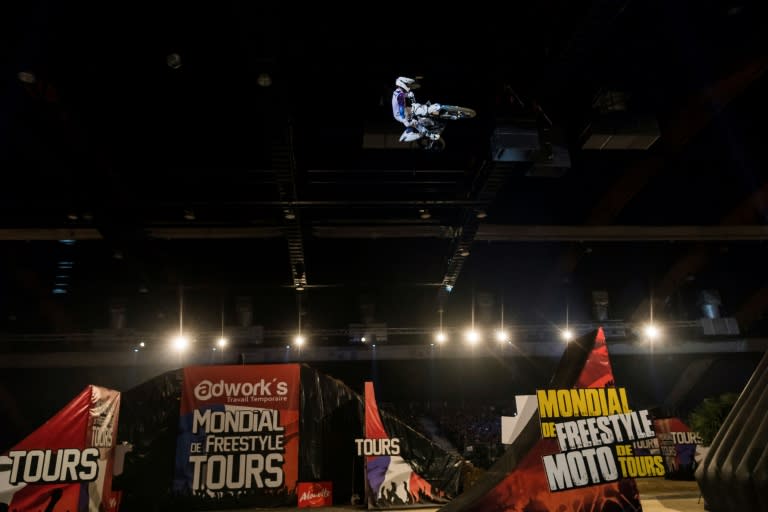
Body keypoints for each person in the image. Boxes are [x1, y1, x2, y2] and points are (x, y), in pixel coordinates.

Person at [392, 76, 422, 142]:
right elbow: (401, 108)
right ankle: (410, 132)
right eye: (407, 84)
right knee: (417, 115)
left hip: (399, 113)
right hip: (400, 114)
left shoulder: (398, 91)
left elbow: (400, 96)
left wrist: (407, 95)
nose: (409, 86)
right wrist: (404, 120)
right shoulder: (400, 95)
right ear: (403, 84)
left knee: (417, 109)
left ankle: (410, 130)